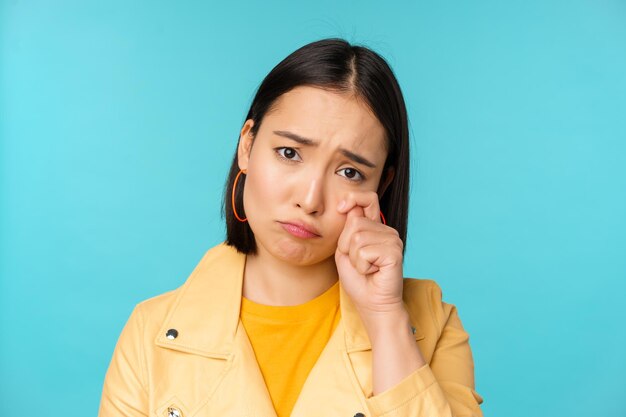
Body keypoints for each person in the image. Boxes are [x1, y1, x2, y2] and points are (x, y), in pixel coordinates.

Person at [98, 38, 484, 417]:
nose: (310, 199)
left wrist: (385, 319)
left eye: (349, 172)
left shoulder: (432, 326)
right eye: (290, 153)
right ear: (247, 146)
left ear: (380, 185)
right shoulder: (151, 333)